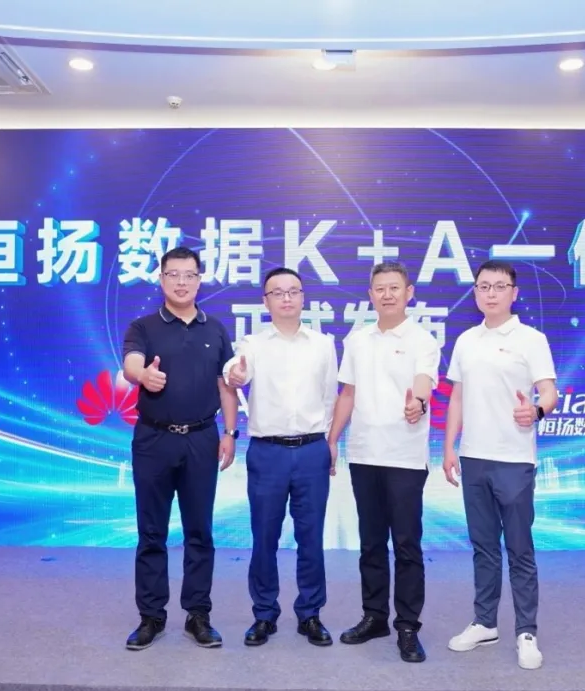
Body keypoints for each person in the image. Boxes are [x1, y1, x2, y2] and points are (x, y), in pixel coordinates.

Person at [121, 246, 239, 651]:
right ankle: (151, 617)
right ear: (161, 279)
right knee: (151, 531)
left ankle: (198, 615)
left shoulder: (215, 329)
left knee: (199, 531)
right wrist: (143, 376)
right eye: (174, 274)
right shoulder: (143, 326)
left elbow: (226, 385)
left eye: (190, 275)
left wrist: (230, 433)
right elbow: (131, 364)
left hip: (202, 439)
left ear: (200, 280)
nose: (182, 282)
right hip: (153, 439)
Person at [442, 260, 559, 670]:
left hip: (514, 459)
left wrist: (537, 411)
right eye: (483, 286)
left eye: (499, 286)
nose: (490, 293)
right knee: (483, 547)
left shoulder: (531, 339)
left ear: (514, 292)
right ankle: (484, 622)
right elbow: (457, 397)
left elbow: (549, 392)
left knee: (519, 548)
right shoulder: (466, 340)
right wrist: (448, 446)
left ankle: (526, 632)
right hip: (474, 456)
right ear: (475, 292)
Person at [327, 261, 440, 663]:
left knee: (406, 544)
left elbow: (424, 381)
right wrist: (332, 439)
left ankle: (407, 626)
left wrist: (418, 403)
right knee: (371, 543)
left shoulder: (423, 339)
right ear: (370, 295)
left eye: (395, 287)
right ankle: (374, 616)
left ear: (409, 292)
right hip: (363, 454)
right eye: (380, 288)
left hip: (405, 456)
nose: (387, 294)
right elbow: (347, 393)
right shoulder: (358, 340)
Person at [223, 267, 338, 648]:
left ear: (303, 297)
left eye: (293, 291)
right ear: (266, 301)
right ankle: (264, 614)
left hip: (311, 450)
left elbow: (329, 397)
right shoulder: (253, 344)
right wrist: (234, 373)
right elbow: (235, 372)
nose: (286, 298)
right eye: (277, 292)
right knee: (264, 537)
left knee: (311, 537)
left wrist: (328, 441)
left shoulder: (322, 344)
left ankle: (311, 613)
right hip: (267, 452)